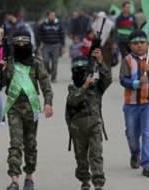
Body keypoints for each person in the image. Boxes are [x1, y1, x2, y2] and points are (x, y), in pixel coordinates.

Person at [0, 29, 53, 190]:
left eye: (24, 42)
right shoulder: (8, 62)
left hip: (32, 109)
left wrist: (48, 103)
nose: (21, 45)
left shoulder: (36, 63)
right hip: (14, 109)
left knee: (30, 144)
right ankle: (14, 180)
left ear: (29, 43)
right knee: (15, 144)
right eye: (17, 42)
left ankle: (29, 177)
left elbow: (46, 86)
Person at [65, 52, 112, 190]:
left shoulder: (97, 87)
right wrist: (84, 86)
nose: (80, 73)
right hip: (77, 129)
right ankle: (85, 180)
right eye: (77, 70)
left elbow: (108, 79)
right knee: (81, 158)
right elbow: (73, 101)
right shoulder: (73, 89)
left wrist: (100, 61)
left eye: (83, 70)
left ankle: (98, 183)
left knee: (96, 154)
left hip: (95, 126)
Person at [119, 30, 149, 177]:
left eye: (142, 42)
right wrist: (136, 83)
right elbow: (123, 80)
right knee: (131, 133)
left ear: (147, 43)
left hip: (147, 104)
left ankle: (146, 164)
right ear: (130, 46)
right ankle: (134, 153)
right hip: (131, 104)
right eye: (136, 43)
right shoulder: (127, 60)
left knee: (147, 133)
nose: (139, 46)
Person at [38, 10, 65, 82]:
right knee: (45, 61)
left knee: (54, 62)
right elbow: (39, 35)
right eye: (51, 15)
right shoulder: (43, 24)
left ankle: (53, 77)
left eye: (54, 15)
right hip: (46, 45)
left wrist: (62, 46)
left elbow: (62, 35)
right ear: (48, 16)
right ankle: (49, 71)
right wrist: (39, 45)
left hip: (56, 45)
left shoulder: (59, 24)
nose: (53, 17)